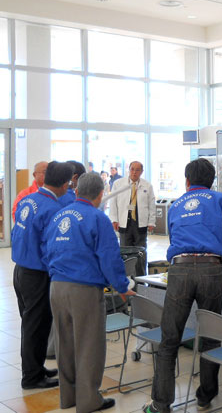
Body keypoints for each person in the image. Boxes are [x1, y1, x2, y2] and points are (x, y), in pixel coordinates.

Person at [143, 158, 222, 413]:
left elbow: (174, 235)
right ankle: (205, 396)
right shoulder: (220, 199)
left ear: (187, 181)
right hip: (211, 269)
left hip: (179, 269)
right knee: (210, 334)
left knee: (169, 339)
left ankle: (161, 403)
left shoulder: (177, 204)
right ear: (212, 181)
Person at [46, 173, 135, 412]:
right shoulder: (97, 218)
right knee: (88, 345)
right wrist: (122, 286)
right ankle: (88, 401)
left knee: (65, 343)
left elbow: (47, 248)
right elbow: (109, 257)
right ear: (101, 194)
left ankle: (68, 397)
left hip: (57, 286)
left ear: (76, 191)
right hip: (83, 289)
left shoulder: (59, 215)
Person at [11, 161, 73, 389]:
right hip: (37, 274)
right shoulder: (53, 209)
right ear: (65, 184)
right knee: (36, 326)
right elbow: (52, 248)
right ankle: (31, 377)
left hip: (20, 270)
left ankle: (36, 368)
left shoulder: (28, 200)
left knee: (32, 324)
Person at [109, 161, 156, 248]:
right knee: (125, 249)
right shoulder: (118, 184)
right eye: (132, 169)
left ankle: (140, 258)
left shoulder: (147, 185)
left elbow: (151, 205)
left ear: (142, 172)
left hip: (140, 222)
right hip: (124, 221)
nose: (134, 172)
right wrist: (114, 220)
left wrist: (151, 222)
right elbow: (113, 203)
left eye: (137, 170)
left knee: (141, 249)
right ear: (129, 170)